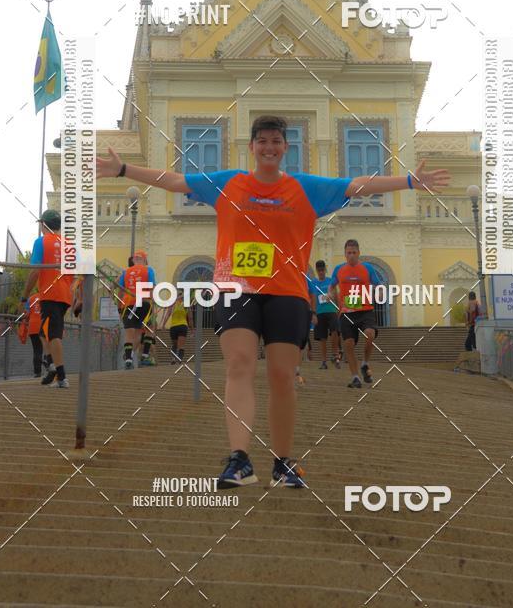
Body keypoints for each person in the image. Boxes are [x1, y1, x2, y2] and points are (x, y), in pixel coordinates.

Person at [97, 114, 449, 488]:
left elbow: (357, 185)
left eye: (276, 141)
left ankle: (282, 463)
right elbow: (174, 180)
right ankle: (240, 459)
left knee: (282, 377)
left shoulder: (305, 188)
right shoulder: (227, 182)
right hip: (236, 290)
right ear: (251, 146)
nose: (269, 147)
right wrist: (123, 170)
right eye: (262, 140)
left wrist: (409, 181)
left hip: (287, 293)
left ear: (285, 148)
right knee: (240, 365)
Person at [21, 210, 74, 388]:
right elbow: (74, 274)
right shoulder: (69, 244)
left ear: (44, 224)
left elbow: (35, 271)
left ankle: (62, 376)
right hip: (64, 294)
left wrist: (25, 295)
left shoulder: (41, 242)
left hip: (50, 293)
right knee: (45, 333)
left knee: (52, 334)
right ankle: (51, 366)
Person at [328, 240, 384, 389]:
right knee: (348, 344)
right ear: (345, 254)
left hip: (365, 310)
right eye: (348, 253)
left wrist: (378, 293)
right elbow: (332, 286)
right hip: (347, 313)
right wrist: (330, 294)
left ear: (358, 253)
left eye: (354, 252)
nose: (351, 255)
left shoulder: (367, 268)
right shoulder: (339, 269)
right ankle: (355, 377)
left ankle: (365, 363)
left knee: (370, 335)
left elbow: (379, 285)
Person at [118, 251, 156, 369]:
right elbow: (152, 287)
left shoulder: (125, 272)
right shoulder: (148, 270)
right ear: (144, 260)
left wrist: (119, 307)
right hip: (143, 302)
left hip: (128, 303)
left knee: (130, 333)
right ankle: (144, 355)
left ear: (133, 260)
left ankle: (128, 359)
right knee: (148, 328)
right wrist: (152, 305)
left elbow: (119, 290)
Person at [308, 260, 341, 369]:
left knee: (335, 332)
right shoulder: (313, 283)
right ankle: (324, 361)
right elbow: (311, 298)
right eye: (319, 270)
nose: (321, 272)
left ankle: (335, 355)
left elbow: (336, 295)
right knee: (322, 338)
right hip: (319, 313)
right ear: (317, 270)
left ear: (325, 270)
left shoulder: (331, 281)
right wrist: (312, 313)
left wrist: (339, 309)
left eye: (323, 270)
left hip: (331, 311)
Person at [168, 293, 193, 363]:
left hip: (175, 326)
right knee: (180, 345)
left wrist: (163, 324)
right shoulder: (186, 305)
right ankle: (178, 358)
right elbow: (190, 318)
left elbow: (167, 314)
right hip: (182, 326)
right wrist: (192, 330)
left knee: (175, 344)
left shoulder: (173, 304)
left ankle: (174, 358)